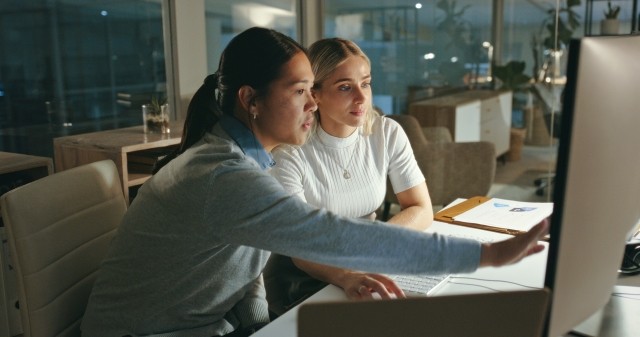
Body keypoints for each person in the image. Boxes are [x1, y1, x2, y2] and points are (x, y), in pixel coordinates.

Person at [81, 27, 548, 337]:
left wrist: (262, 330)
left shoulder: (248, 160)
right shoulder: (224, 175)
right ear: (252, 100)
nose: (312, 105)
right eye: (301, 91)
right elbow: (334, 237)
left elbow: (247, 279)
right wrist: (484, 255)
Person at [264, 38, 433, 315]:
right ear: (314, 94)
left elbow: (422, 208)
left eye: (365, 83)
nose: (362, 97)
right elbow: (299, 247)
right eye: (345, 87)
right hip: (303, 282)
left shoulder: (386, 132)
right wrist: (347, 275)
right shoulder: (291, 152)